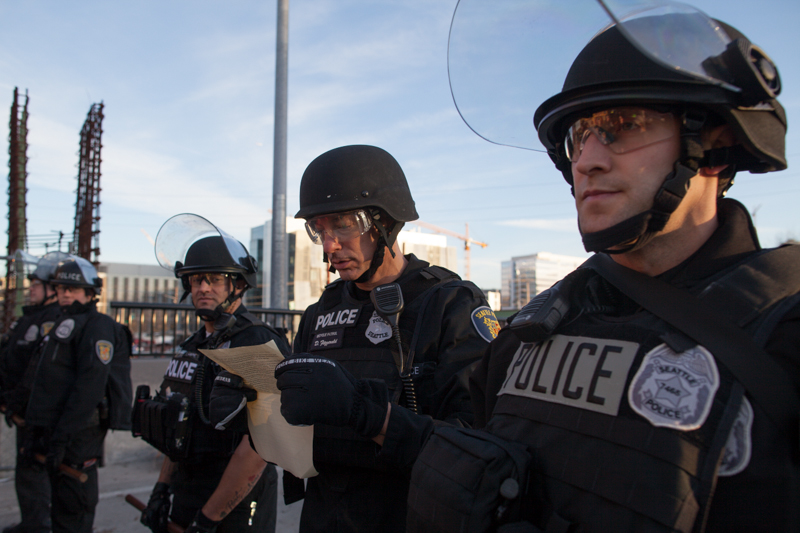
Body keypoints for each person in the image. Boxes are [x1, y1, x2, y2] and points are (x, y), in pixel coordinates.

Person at [412, 4, 798, 532]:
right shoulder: (527, 334)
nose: (587, 160)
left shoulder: (783, 338)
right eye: (580, 135)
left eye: (621, 126)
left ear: (713, 145)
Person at [273, 144, 499, 532]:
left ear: (385, 222)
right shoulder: (320, 312)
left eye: (343, 224)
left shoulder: (449, 304)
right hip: (324, 516)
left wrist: (371, 416)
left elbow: (477, 447)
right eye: (319, 230)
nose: (329, 246)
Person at [137, 214, 290, 533]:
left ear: (238, 284)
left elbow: (260, 448)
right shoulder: (191, 345)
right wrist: (161, 490)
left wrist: (207, 520)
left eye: (215, 279)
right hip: (188, 491)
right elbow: (177, 425)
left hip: (234, 504)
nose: (203, 288)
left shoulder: (257, 343)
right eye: (196, 280)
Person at [23, 255, 131, 533]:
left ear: (90, 293)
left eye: (71, 289)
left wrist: (62, 436)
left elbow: (89, 387)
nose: (64, 294)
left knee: (74, 508)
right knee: (61, 508)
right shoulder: (63, 323)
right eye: (60, 289)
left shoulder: (97, 325)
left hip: (79, 435)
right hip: (58, 431)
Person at [0, 252, 66, 533]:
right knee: (26, 469)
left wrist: (18, 406)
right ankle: (33, 522)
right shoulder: (29, 318)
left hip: (31, 412)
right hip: (17, 408)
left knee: (33, 469)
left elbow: (39, 371)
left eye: (36, 285)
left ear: (51, 289)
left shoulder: (51, 320)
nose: (31, 289)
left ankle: (38, 525)